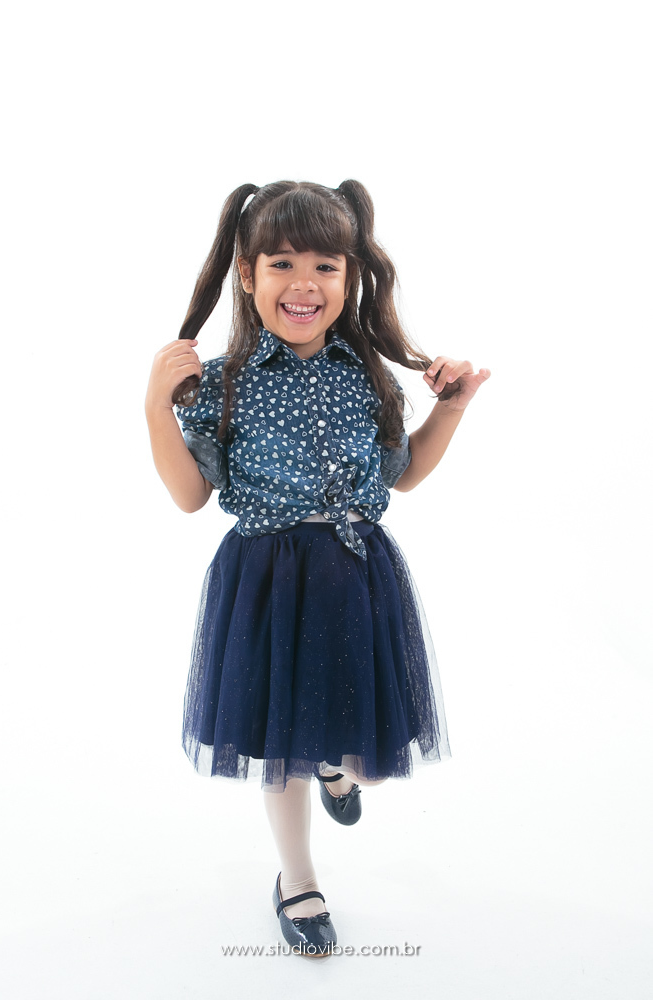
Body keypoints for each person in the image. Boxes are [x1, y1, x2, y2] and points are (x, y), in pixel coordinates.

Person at [145, 179, 490, 958]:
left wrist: (451, 407)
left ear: (350, 276)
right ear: (246, 273)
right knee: (282, 748)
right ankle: (296, 879)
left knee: (359, 753)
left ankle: (337, 766)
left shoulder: (366, 375)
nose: (304, 284)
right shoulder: (224, 383)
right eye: (282, 263)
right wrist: (154, 409)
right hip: (269, 584)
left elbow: (403, 476)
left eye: (325, 266)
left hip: (358, 574)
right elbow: (190, 497)